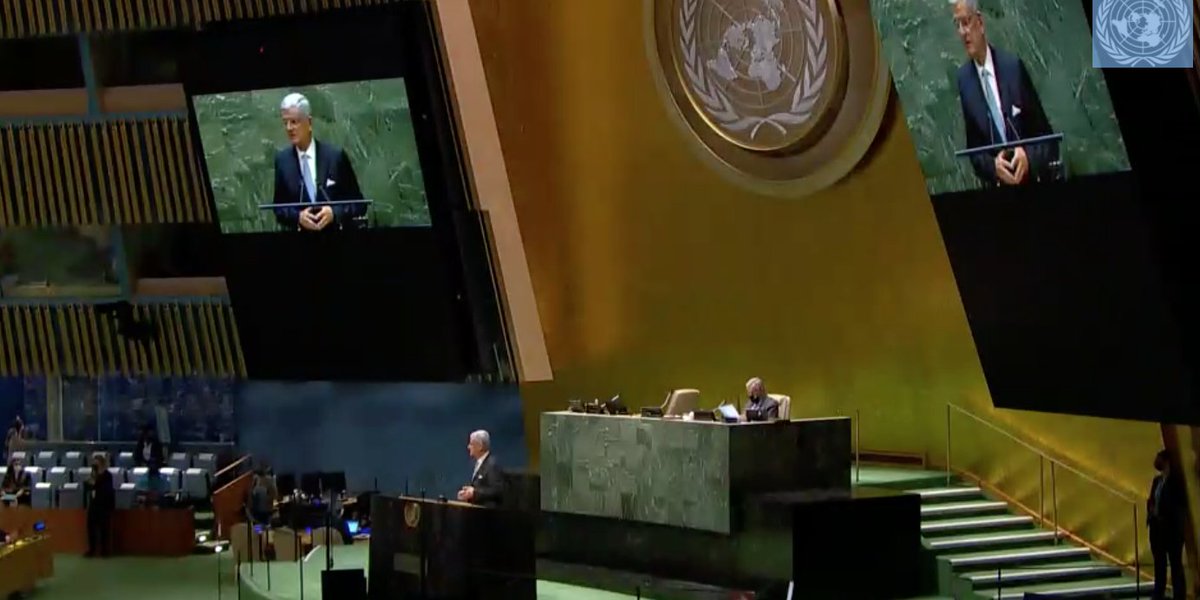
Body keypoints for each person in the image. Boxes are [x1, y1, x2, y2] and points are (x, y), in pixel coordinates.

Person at [951, 0, 1054, 187]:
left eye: (965, 22)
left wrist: (1028, 158)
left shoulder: (1012, 68)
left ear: (980, 22)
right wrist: (994, 167)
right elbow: (975, 152)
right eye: (957, 25)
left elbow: (1047, 139)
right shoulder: (964, 81)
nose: (962, 32)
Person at [272, 93, 366, 232]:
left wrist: (334, 213)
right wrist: (298, 217)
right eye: (285, 123)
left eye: (294, 122)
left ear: (309, 123)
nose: (289, 128)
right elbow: (279, 208)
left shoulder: (335, 157)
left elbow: (359, 204)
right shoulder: (282, 161)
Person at [1147, 450, 1187, 600]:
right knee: (1159, 565)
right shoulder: (1157, 480)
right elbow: (1151, 500)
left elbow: (1178, 506)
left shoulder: (1176, 481)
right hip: (1157, 529)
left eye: (1158, 459)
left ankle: (1179, 595)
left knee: (1175, 565)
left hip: (1172, 530)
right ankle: (1159, 593)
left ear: (1166, 461)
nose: (1156, 462)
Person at [456, 430, 504, 508]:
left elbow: (497, 491)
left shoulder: (492, 465)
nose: (468, 447)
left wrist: (474, 493)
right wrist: (468, 493)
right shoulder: (479, 463)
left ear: (480, 446)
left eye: (471, 444)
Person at [86, 454, 115, 557]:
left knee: (104, 528)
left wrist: (95, 483)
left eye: (96, 463)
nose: (95, 465)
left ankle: (104, 550)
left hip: (104, 504)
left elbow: (106, 490)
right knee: (91, 528)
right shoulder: (93, 474)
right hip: (93, 504)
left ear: (102, 463)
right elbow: (89, 486)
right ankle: (92, 549)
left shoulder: (107, 475)